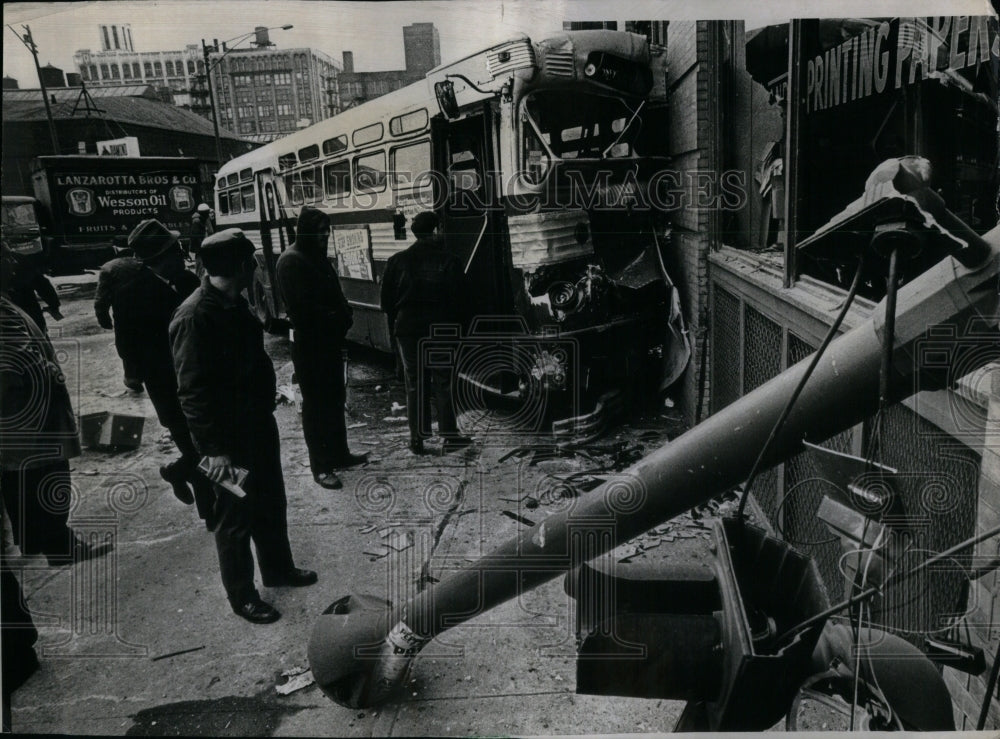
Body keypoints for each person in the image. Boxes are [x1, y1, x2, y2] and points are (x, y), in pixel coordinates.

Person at [170, 228, 316, 624]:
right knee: (234, 519)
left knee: (270, 502)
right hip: (226, 440)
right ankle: (243, 597)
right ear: (239, 266)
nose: (255, 269)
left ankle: (278, 569)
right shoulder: (196, 315)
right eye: (251, 262)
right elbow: (192, 392)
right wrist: (214, 450)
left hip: (256, 426)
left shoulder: (234, 303)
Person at [93, 219, 216, 519]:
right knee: (195, 447)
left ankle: (179, 471)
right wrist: (139, 373)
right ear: (159, 259)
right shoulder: (130, 294)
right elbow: (126, 346)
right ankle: (210, 512)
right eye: (176, 250)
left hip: (201, 381)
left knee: (206, 446)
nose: (182, 255)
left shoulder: (189, 282)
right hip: (167, 386)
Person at [0, 294, 112, 565]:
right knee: (47, 475)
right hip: (30, 414)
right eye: (6, 256)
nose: (12, 263)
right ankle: (60, 547)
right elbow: (16, 362)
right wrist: (49, 371)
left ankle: (35, 541)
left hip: (16, 417)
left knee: (21, 476)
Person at [275, 206, 367, 489]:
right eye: (320, 230)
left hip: (328, 341)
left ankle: (339, 453)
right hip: (310, 345)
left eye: (327, 230)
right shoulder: (291, 261)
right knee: (316, 407)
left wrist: (345, 313)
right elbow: (303, 311)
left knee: (334, 399)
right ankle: (321, 466)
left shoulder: (315, 257)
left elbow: (334, 294)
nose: (325, 235)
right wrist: (336, 317)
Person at [379, 211, 474, 455]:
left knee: (415, 384)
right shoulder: (449, 261)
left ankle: (417, 440)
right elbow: (461, 301)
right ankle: (450, 437)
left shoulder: (396, 260)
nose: (442, 232)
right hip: (440, 330)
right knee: (443, 382)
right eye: (440, 228)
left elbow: (386, 302)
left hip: (408, 329)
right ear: (433, 231)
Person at [0, 244, 62, 334]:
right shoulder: (19, 258)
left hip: (18, 315)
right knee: (39, 340)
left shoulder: (18, 259)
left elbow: (41, 283)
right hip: (28, 314)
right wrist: (53, 305)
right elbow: (42, 284)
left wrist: (54, 304)